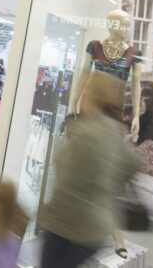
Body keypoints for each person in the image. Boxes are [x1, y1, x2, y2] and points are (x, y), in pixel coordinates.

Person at [38, 71, 140, 267]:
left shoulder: (85, 132)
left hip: (69, 225)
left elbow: (63, 173)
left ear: (90, 95)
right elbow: (132, 165)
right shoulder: (114, 130)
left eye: (83, 91)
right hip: (97, 226)